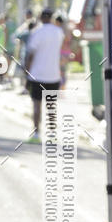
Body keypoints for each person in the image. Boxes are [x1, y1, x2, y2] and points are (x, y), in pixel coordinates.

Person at [24, 7, 65, 143]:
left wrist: (26, 71)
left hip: (37, 75)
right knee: (51, 106)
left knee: (37, 105)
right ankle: (52, 134)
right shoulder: (59, 32)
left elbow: (30, 54)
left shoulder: (37, 32)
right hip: (53, 74)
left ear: (41, 17)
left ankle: (36, 134)